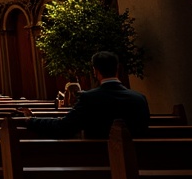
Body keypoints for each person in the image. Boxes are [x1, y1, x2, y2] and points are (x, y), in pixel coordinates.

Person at [22, 51, 150, 138]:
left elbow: (64, 127)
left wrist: (31, 121)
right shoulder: (139, 99)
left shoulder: (89, 98)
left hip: (100, 160)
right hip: (140, 161)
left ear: (95, 71)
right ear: (118, 69)